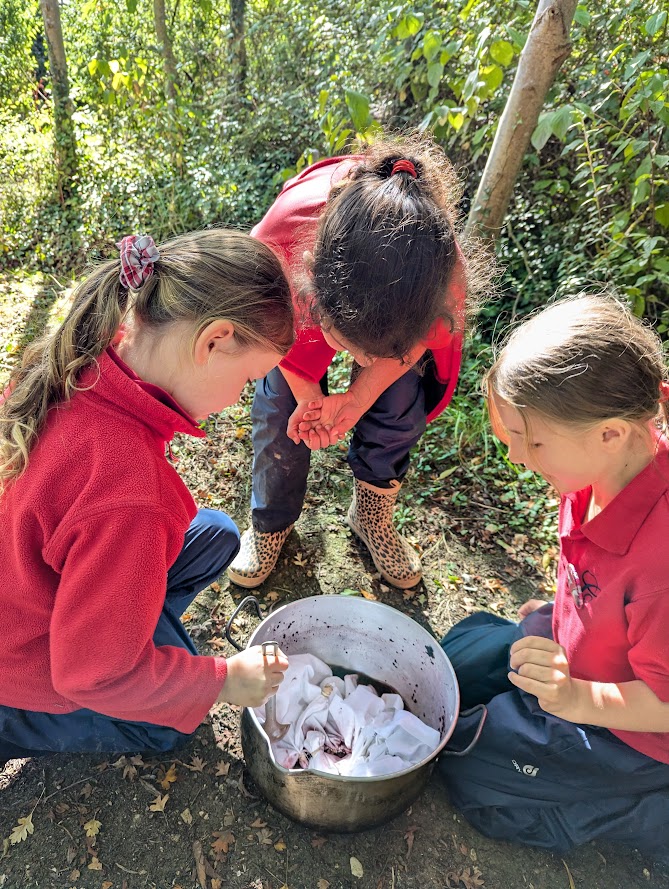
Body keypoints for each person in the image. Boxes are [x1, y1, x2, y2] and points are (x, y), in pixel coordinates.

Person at [0, 230, 292, 761]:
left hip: (25, 584)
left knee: (216, 536)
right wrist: (223, 681)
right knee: (165, 726)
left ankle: (123, 626)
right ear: (215, 340)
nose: (238, 399)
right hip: (22, 659)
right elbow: (90, 675)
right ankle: (13, 724)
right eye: (249, 379)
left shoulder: (90, 346)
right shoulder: (130, 493)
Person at [439, 294, 669, 863]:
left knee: (470, 773)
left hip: (630, 727)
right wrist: (560, 612)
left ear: (611, 433)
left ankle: (645, 808)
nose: (518, 456)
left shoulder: (662, 565)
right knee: (450, 662)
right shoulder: (597, 471)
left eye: (533, 441)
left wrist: (572, 697)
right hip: (575, 660)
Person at [227, 134, 473, 591]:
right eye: (353, 348)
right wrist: (305, 391)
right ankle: (270, 522)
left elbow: (415, 346)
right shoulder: (280, 239)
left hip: (379, 307)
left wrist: (359, 398)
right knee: (280, 411)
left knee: (401, 401)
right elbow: (265, 327)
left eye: (373, 355)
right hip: (300, 300)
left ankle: (371, 513)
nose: (359, 361)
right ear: (315, 290)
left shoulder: (441, 277)